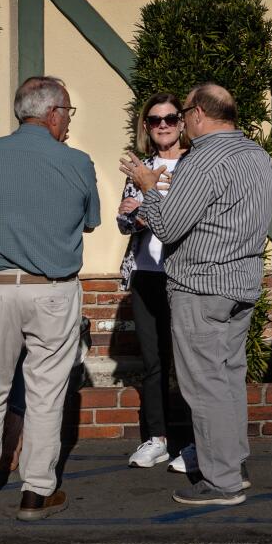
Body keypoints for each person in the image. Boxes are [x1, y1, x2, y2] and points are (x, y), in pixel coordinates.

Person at [124, 83, 272, 508]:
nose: (183, 120)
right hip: (242, 284)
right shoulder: (257, 156)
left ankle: (222, 481)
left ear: (199, 114)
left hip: (201, 286)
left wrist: (147, 187)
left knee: (204, 386)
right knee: (227, 379)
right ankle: (233, 465)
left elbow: (169, 228)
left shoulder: (202, 160)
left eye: (185, 112)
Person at [0, 76, 99, 520]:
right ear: (53, 113)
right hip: (52, 289)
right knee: (46, 394)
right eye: (68, 113)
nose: (69, 122)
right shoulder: (76, 161)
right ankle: (36, 491)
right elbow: (90, 220)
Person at [116, 93, 187, 469]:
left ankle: (193, 441)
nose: (163, 125)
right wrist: (137, 216)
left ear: (182, 123)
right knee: (153, 360)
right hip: (146, 273)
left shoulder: (195, 165)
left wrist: (150, 208)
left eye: (170, 118)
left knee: (190, 361)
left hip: (185, 274)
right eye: (155, 119)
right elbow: (124, 219)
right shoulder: (140, 167)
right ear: (146, 126)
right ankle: (157, 437)